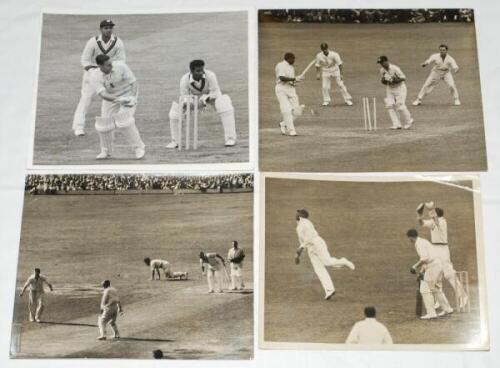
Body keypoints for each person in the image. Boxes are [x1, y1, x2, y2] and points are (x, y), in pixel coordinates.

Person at [166, 59, 237, 148]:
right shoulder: (184, 79)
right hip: (192, 99)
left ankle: (230, 138)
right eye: (198, 71)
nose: (201, 73)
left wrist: (204, 100)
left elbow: (215, 92)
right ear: (191, 71)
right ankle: (175, 141)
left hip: (210, 97)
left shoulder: (210, 75)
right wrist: (188, 104)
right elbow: (184, 96)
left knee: (224, 103)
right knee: (175, 111)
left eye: (202, 70)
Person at [72, 19, 126, 136]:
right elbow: (85, 60)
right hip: (92, 73)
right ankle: (78, 127)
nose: (108, 30)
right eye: (106, 28)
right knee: (85, 99)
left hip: (109, 74)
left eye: (110, 28)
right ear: (101, 29)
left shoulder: (118, 42)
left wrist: (111, 70)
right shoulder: (93, 42)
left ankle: (109, 125)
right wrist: (94, 71)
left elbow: (121, 60)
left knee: (111, 100)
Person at [92, 54, 146, 160]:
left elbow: (134, 82)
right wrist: (115, 99)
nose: (111, 66)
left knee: (124, 121)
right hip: (110, 97)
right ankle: (106, 151)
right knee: (104, 125)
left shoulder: (121, 66)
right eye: (108, 65)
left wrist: (132, 98)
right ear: (100, 66)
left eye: (111, 63)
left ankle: (138, 148)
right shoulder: (95, 76)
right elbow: (102, 94)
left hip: (128, 93)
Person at [294, 209, 355, 300]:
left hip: (317, 243)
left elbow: (309, 237)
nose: (296, 214)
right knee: (319, 270)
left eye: (298, 213)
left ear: (301, 215)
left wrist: (301, 248)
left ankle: (343, 261)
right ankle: (329, 290)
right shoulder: (298, 227)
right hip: (310, 249)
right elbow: (302, 242)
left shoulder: (306, 222)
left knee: (327, 262)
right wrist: (298, 255)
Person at [416, 201, 468, 308]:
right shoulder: (432, 221)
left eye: (433, 212)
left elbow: (436, 222)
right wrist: (419, 215)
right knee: (436, 274)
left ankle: (463, 296)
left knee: (448, 274)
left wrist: (430, 209)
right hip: (434, 249)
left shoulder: (443, 221)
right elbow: (421, 223)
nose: (432, 214)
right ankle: (440, 300)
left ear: (437, 214)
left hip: (443, 249)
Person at [406, 229, 453, 319]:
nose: (409, 240)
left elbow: (424, 258)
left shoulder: (418, 244)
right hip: (438, 264)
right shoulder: (423, 241)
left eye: (409, 238)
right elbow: (426, 259)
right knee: (436, 288)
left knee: (424, 289)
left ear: (411, 237)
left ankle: (431, 313)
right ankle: (447, 309)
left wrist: (414, 267)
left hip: (433, 266)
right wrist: (421, 272)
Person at [377, 56, 414, 130]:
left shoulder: (395, 68)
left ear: (386, 61)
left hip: (400, 88)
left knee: (400, 106)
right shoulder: (382, 70)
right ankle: (396, 124)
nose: (381, 65)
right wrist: (384, 81)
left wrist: (395, 80)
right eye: (380, 63)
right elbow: (383, 82)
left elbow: (403, 78)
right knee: (389, 106)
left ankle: (409, 121)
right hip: (390, 89)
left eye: (382, 63)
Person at [275, 52, 305, 136]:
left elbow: (291, 81)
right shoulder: (280, 65)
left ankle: (283, 124)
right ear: (288, 58)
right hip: (281, 89)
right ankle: (291, 130)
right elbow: (282, 78)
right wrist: (295, 78)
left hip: (291, 89)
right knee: (286, 110)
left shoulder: (291, 68)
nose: (294, 61)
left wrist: (296, 81)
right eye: (293, 59)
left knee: (297, 112)